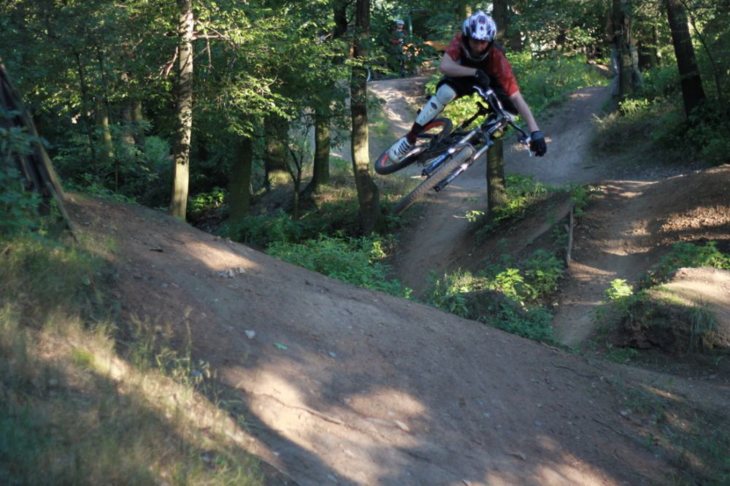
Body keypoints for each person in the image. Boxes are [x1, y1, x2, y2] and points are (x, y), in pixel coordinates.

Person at [386, 10, 547, 163]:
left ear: (490, 41)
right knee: (445, 93)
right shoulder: (459, 41)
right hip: (464, 74)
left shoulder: (497, 57)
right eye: (475, 41)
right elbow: (445, 66)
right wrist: (474, 72)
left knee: (507, 116)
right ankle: (410, 138)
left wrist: (535, 132)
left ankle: (467, 146)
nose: (478, 46)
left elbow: (516, 96)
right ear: (467, 37)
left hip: (491, 81)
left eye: (483, 42)